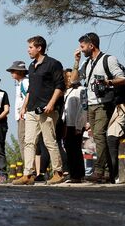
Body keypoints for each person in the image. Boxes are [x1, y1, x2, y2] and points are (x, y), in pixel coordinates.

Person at [68, 32, 125, 183]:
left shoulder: (109, 59)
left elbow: (122, 78)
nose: (81, 50)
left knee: (100, 136)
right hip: (91, 104)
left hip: (104, 103)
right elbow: (73, 80)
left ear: (91, 45)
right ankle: (108, 172)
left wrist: (108, 82)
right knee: (97, 137)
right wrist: (76, 61)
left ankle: (99, 171)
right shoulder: (86, 63)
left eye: (82, 47)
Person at [13, 36, 65, 185]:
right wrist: (24, 106)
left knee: (49, 141)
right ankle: (28, 175)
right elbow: (31, 89)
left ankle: (58, 173)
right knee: (29, 142)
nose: (28, 50)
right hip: (31, 109)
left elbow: (60, 86)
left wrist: (51, 103)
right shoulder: (31, 66)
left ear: (39, 48)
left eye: (30, 47)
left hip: (47, 110)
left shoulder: (53, 64)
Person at [62, 70, 87, 182]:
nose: (69, 79)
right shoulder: (65, 91)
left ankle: (78, 174)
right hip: (66, 124)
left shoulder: (81, 90)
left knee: (76, 149)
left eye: (71, 76)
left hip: (75, 124)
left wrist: (79, 125)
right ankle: (72, 174)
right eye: (67, 77)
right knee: (68, 149)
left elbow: (83, 109)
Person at [7, 60, 30, 168]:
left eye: (13, 71)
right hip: (21, 116)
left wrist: (24, 109)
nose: (11, 73)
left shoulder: (25, 82)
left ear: (20, 72)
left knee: (23, 140)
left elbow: (29, 95)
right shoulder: (20, 83)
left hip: (24, 116)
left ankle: (28, 167)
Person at [106, 98, 125, 181]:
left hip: (113, 132)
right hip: (123, 133)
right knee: (121, 156)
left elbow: (111, 119)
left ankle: (113, 176)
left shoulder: (118, 108)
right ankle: (119, 175)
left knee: (113, 156)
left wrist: (107, 128)